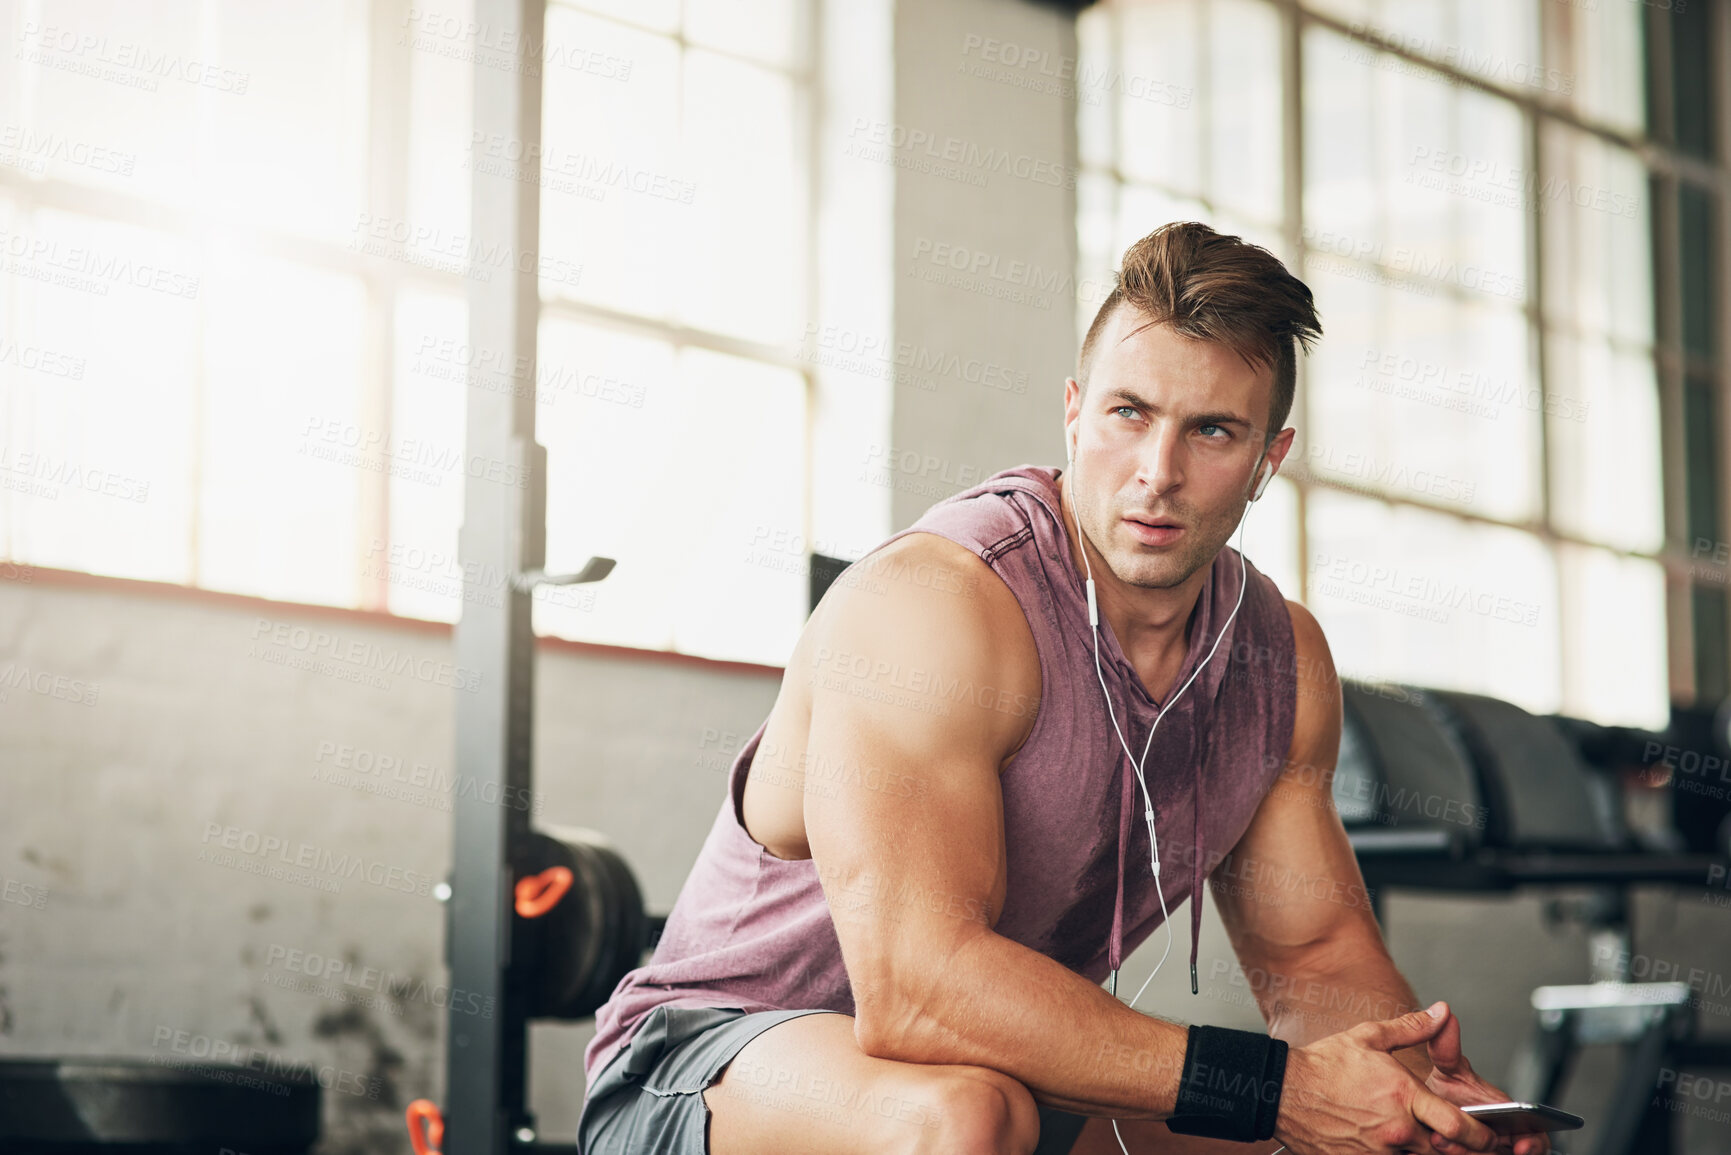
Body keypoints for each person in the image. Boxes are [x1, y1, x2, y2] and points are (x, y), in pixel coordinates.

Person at [578, 221, 1546, 1155]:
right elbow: (918, 992)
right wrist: (1276, 1089)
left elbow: (1315, 958)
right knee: (966, 1118)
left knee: (1313, 1144)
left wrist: (1420, 1102)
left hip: (1000, 1071)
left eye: (1212, 431)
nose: (1157, 473)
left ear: (1267, 460)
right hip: (705, 1064)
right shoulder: (936, 606)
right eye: (1131, 415)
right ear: (1076, 411)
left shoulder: (1274, 660)